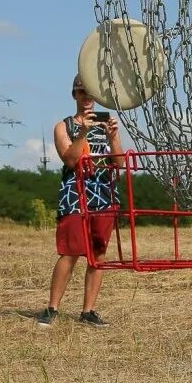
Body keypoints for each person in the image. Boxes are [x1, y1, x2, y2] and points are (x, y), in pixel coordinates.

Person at [36, 75, 124, 328]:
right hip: (75, 195)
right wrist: (84, 132)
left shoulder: (106, 125)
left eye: (91, 93)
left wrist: (114, 137)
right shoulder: (63, 127)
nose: (87, 98)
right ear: (74, 95)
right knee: (70, 251)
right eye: (81, 92)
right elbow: (71, 160)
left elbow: (119, 163)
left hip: (104, 194)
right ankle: (52, 307)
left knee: (98, 254)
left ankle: (89, 310)